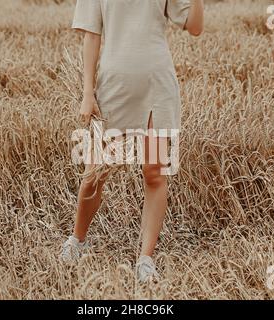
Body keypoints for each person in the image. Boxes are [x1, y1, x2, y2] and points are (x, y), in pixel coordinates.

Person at [62, 0, 204, 283]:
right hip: (114, 86)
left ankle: (146, 259)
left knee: (154, 172)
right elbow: (92, 35)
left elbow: (195, 27)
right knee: (96, 171)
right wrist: (87, 92)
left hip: (157, 86)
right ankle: (77, 241)